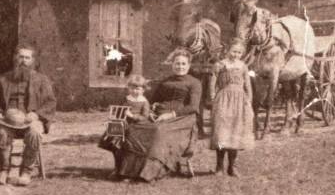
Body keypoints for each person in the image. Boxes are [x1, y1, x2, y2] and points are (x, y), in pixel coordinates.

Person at [117, 48, 202, 181]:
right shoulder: (165, 82)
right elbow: (152, 101)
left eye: (183, 64)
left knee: (158, 130)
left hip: (182, 119)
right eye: (177, 63)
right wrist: (150, 111)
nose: (180, 67)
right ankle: (128, 171)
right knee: (135, 128)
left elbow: (193, 107)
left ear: (189, 65)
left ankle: (148, 173)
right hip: (159, 115)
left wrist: (171, 114)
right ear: (172, 64)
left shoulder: (195, 83)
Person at [0, 44, 56, 186]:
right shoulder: (2, 79)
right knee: (2, 133)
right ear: (15, 58)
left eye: (27, 57)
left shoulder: (42, 80)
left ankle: (26, 172)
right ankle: (3, 170)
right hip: (7, 120)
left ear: (32, 60)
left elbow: (50, 102)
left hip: (30, 119)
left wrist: (36, 115)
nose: (23, 60)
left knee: (35, 133)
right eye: (20, 57)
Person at [209, 37, 255, 177]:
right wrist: (212, 98)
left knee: (236, 132)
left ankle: (232, 167)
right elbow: (213, 83)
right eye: (234, 51)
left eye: (239, 53)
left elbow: (247, 85)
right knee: (222, 132)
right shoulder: (220, 65)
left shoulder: (243, 66)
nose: (236, 55)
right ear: (228, 50)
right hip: (224, 99)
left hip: (240, 101)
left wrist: (249, 101)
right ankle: (219, 167)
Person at [99, 74, 151, 177]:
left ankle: (127, 172)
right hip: (122, 124)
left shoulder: (144, 102)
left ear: (143, 90)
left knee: (129, 148)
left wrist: (132, 115)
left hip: (136, 127)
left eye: (138, 89)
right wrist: (114, 115)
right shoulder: (126, 99)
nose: (134, 91)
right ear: (128, 88)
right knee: (115, 146)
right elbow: (118, 110)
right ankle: (117, 168)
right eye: (132, 88)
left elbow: (145, 117)